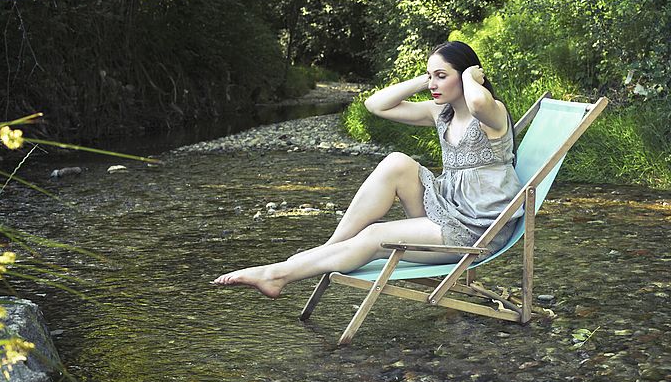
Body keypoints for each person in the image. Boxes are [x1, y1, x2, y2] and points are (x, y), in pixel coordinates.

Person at [211, 41, 523, 298]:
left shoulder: (492, 114)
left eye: (442, 76)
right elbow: (376, 105)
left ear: (467, 75)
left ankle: (277, 275)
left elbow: (479, 104)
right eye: (431, 77)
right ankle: (331, 248)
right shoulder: (441, 112)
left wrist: (470, 77)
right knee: (397, 162)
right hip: (448, 208)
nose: (433, 85)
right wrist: (427, 77)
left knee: (376, 236)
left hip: (478, 230)